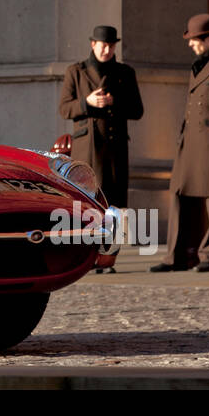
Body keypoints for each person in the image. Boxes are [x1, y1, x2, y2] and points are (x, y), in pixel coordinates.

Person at [151, 13, 209, 273]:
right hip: (189, 142)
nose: (191, 44)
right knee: (179, 194)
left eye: (195, 40)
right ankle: (176, 257)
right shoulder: (199, 65)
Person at [59, 26, 143, 274]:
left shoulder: (125, 73)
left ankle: (108, 259)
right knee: (88, 202)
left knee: (113, 205)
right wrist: (88, 102)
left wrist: (114, 102)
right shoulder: (76, 71)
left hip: (115, 146)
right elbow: (64, 108)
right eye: (102, 45)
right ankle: (85, 257)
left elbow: (137, 110)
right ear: (92, 44)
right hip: (87, 147)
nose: (107, 50)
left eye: (111, 46)